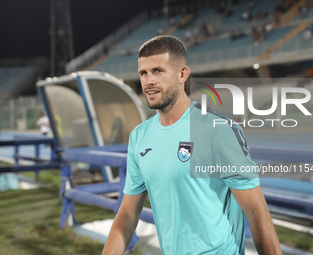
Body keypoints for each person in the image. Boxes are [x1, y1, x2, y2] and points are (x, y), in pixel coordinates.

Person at [102, 35, 281, 255]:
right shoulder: (139, 137)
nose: (148, 81)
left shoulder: (217, 130)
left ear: (182, 74)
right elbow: (127, 215)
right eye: (143, 73)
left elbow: (256, 212)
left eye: (158, 71)